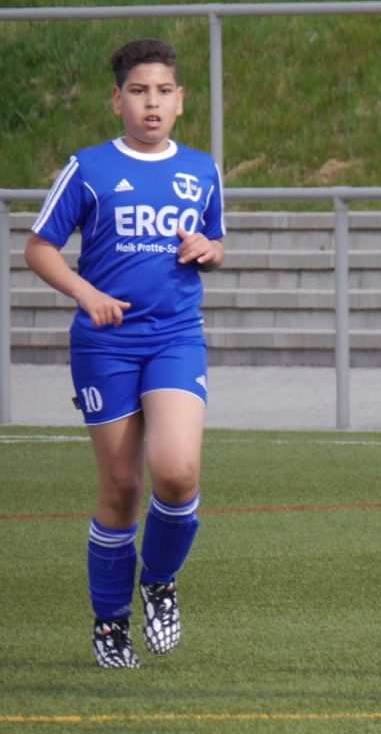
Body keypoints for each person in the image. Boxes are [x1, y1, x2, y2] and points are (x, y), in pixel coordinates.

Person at [24, 39, 225, 669]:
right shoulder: (88, 168)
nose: (151, 103)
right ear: (117, 100)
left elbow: (214, 240)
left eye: (163, 91)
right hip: (105, 345)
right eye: (138, 92)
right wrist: (86, 293)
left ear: (181, 100)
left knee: (177, 472)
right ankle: (110, 624)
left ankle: (159, 582)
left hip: (174, 337)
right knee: (122, 485)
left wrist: (209, 250)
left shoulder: (202, 170)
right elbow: (39, 248)